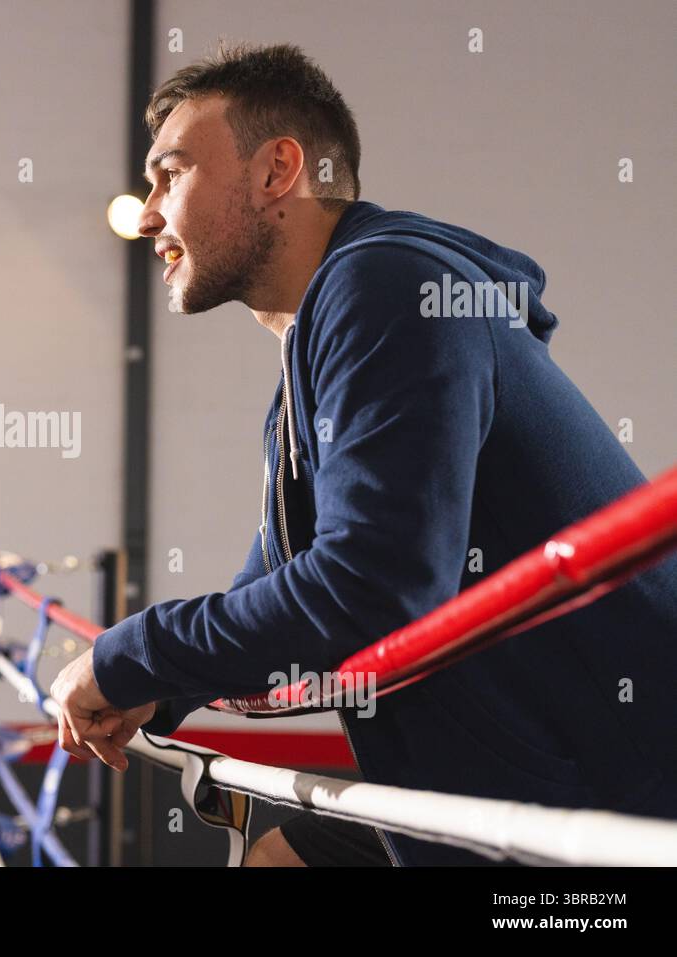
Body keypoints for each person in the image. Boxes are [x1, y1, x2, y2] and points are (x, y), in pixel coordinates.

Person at [49, 41, 677, 866]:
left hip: (613, 810)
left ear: (278, 170)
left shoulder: (384, 286)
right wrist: (159, 685)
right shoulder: (314, 357)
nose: (152, 211)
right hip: (511, 772)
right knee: (278, 859)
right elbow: (277, 583)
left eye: (171, 174)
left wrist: (129, 653)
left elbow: (375, 581)